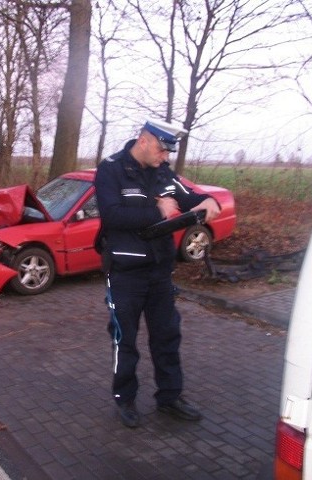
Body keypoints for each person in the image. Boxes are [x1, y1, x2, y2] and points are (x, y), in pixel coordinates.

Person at [94, 119, 221, 428]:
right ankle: (125, 400)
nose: (166, 158)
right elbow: (112, 216)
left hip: (160, 273)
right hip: (125, 273)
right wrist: (157, 211)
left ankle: (170, 398)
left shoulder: (162, 172)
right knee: (124, 341)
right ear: (145, 140)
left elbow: (186, 196)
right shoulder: (111, 170)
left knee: (167, 337)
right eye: (163, 150)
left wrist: (207, 200)